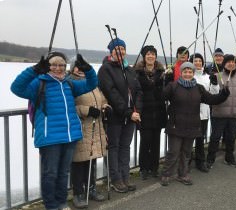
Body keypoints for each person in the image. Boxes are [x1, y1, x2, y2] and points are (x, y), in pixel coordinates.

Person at [10, 52, 97, 210]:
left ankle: (61, 201)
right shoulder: (39, 84)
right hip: (49, 137)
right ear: (48, 66)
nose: (58, 68)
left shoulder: (69, 84)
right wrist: (34, 70)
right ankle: (51, 205)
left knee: (63, 173)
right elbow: (16, 88)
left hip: (69, 136)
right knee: (50, 173)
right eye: (54, 65)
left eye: (62, 65)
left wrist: (88, 69)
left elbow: (91, 84)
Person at [160, 62, 229, 186]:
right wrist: (165, 81)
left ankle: (183, 174)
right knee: (173, 152)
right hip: (176, 125)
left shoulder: (199, 88)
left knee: (186, 152)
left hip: (192, 125)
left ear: (193, 73)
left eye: (190, 72)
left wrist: (224, 94)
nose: (187, 74)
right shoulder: (173, 86)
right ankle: (166, 174)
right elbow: (162, 96)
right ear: (181, 73)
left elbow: (212, 100)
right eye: (185, 72)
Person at [97, 38, 143, 193]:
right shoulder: (105, 69)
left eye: (123, 49)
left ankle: (125, 176)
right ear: (111, 52)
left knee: (125, 147)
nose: (120, 52)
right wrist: (128, 112)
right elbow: (112, 93)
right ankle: (115, 178)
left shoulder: (129, 70)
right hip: (115, 117)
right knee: (114, 147)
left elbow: (138, 91)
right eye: (117, 49)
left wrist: (137, 111)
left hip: (130, 116)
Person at [69, 58, 109, 208]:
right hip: (80, 127)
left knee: (91, 160)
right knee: (79, 162)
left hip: (95, 127)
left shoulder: (92, 83)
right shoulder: (70, 83)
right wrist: (86, 110)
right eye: (76, 67)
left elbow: (102, 99)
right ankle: (78, 193)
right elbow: (69, 107)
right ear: (72, 69)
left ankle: (91, 188)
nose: (79, 70)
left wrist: (105, 107)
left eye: (81, 67)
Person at [206, 54, 236, 168]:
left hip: (234, 114)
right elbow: (212, 95)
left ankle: (229, 158)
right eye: (228, 62)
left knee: (231, 137)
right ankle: (210, 159)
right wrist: (213, 83)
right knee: (215, 137)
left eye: (233, 62)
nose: (231, 64)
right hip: (219, 113)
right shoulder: (217, 76)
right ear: (224, 64)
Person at [134, 45, 168, 180]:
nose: (150, 56)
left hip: (158, 111)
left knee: (155, 141)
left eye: (153, 54)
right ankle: (143, 168)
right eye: (148, 54)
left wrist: (167, 79)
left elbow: (166, 91)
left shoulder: (162, 72)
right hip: (144, 112)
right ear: (144, 56)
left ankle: (154, 167)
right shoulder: (137, 72)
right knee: (145, 141)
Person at [190, 53, 211, 172]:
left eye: (199, 60)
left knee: (200, 138)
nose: (197, 62)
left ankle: (200, 161)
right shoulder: (188, 75)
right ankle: (186, 160)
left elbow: (213, 93)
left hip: (204, 112)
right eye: (195, 60)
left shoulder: (207, 77)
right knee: (188, 138)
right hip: (190, 112)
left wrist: (213, 83)